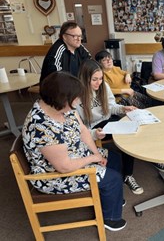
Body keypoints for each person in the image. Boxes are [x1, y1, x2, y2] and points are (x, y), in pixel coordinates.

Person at [22, 71, 126, 231]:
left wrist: (96, 153)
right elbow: (64, 167)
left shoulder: (61, 107)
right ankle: (111, 218)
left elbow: (83, 130)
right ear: (61, 99)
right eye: (75, 99)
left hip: (74, 154)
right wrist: (93, 158)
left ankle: (111, 196)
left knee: (114, 158)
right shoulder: (40, 126)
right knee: (112, 178)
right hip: (53, 175)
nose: (78, 103)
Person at [76, 59, 144, 195]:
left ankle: (135, 169)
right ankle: (127, 175)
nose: (99, 82)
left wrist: (123, 108)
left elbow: (111, 107)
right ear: (84, 78)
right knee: (127, 134)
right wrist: (93, 133)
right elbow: (78, 128)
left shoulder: (103, 86)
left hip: (107, 120)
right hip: (93, 127)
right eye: (94, 79)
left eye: (100, 78)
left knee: (135, 126)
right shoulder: (76, 95)